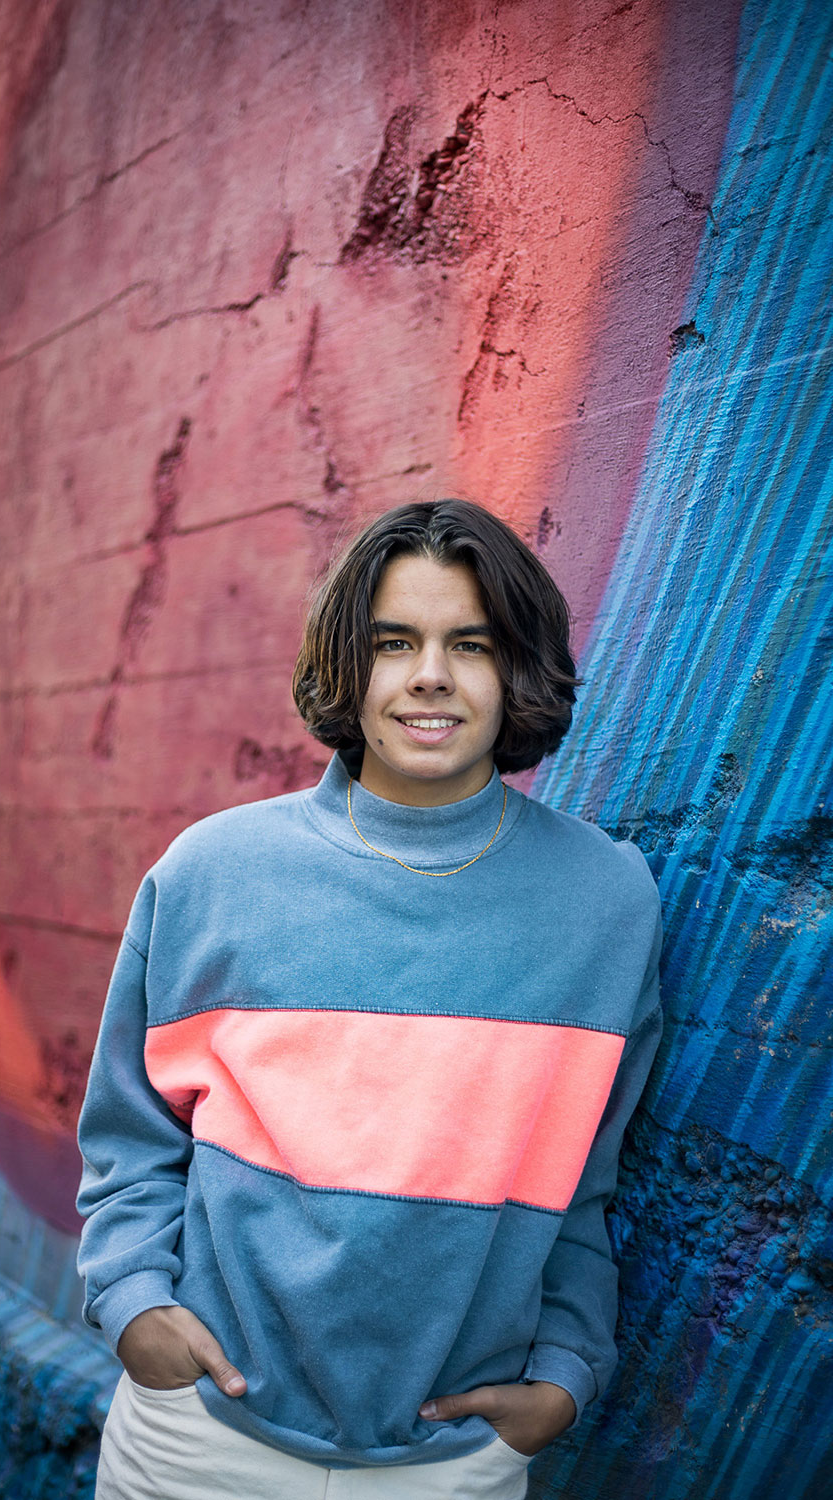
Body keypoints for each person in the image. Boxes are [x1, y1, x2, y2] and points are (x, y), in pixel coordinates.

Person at [77, 498, 663, 1499]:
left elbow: (585, 1176)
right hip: (197, 1435)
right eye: (394, 642)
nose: (429, 675)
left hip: (454, 1462)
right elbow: (130, 1136)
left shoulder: (606, 902)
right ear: (349, 664)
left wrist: (566, 1372)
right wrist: (133, 1301)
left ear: (519, 667)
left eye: (471, 644)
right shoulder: (214, 873)